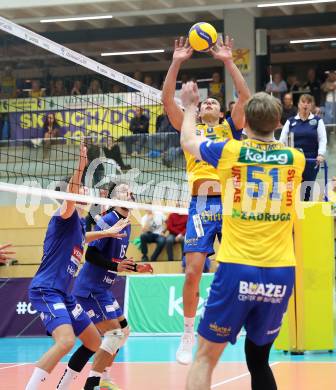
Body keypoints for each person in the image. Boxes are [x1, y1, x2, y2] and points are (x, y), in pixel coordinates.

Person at [179, 82, 305, 390]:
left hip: (237, 267)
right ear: (279, 123)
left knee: (205, 359)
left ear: (244, 122)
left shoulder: (230, 151)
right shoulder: (296, 158)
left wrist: (190, 107)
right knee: (259, 359)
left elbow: (188, 141)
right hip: (281, 271)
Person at [162, 35, 250, 365]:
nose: (210, 104)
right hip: (200, 204)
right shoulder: (190, 126)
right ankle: (187, 332)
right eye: (205, 103)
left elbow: (245, 96)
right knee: (192, 271)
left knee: (235, 269)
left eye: (215, 101)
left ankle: (231, 322)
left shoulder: (231, 128)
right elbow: (168, 100)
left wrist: (228, 61)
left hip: (230, 205)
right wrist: (176, 62)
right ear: (198, 111)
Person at [25, 142, 130, 390]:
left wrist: (108, 232)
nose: (84, 191)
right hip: (46, 290)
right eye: (80, 188)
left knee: (94, 341)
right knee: (65, 342)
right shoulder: (64, 215)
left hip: (65, 295)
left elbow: (84, 239)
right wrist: (81, 167)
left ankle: (64, 387)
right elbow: (72, 193)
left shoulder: (80, 225)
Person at [63, 183, 153, 390]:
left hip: (103, 289)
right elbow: (91, 255)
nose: (129, 192)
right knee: (113, 335)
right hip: (90, 289)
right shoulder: (108, 220)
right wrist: (116, 265)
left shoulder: (127, 222)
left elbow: (114, 259)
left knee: (124, 330)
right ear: (113, 198)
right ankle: (93, 383)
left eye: (130, 190)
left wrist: (134, 267)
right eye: (123, 190)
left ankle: (103, 376)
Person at [280, 94, 327, 201]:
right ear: (298, 104)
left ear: (312, 106)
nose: (305, 105)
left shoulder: (318, 121)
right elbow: (282, 140)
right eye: (303, 102)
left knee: (307, 190)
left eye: (308, 102)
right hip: (294, 161)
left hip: (311, 161)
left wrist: (320, 154)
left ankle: (305, 215)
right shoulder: (290, 121)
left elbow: (322, 139)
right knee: (293, 189)